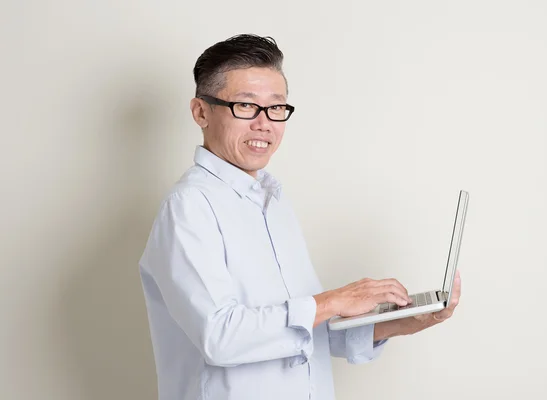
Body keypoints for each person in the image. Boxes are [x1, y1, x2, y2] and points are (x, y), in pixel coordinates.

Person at [139, 33, 461, 400]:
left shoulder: (273, 201)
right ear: (201, 112)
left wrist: (400, 323)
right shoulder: (188, 207)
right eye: (245, 106)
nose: (264, 124)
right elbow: (220, 337)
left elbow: (301, 329)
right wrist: (333, 301)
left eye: (276, 108)